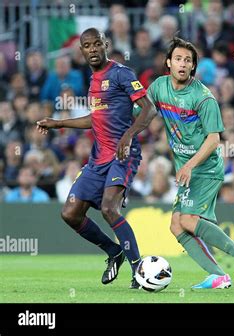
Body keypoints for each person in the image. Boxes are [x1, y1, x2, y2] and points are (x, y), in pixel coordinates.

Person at [135, 37, 234, 289]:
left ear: (193, 67)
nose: (183, 64)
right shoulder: (159, 87)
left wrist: (190, 165)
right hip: (187, 169)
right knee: (176, 225)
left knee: (189, 220)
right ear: (169, 63)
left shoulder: (203, 97)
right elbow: (142, 113)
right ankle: (217, 275)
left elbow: (214, 140)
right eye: (179, 59)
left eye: (188, 61)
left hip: (205, 168)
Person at [36, 28, 158, 289]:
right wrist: (59, 123)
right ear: (81, 51)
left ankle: (139, 270)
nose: (92, 49)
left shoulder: (121, 73)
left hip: (122, 155)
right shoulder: (91, 81)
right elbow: (96, 118)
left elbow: (149, 109)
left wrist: (127, 136)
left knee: (108, 209)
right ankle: (114, 251)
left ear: (105, 44)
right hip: (97, 158)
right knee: (70, 213)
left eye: (96, 44)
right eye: (87, 46)